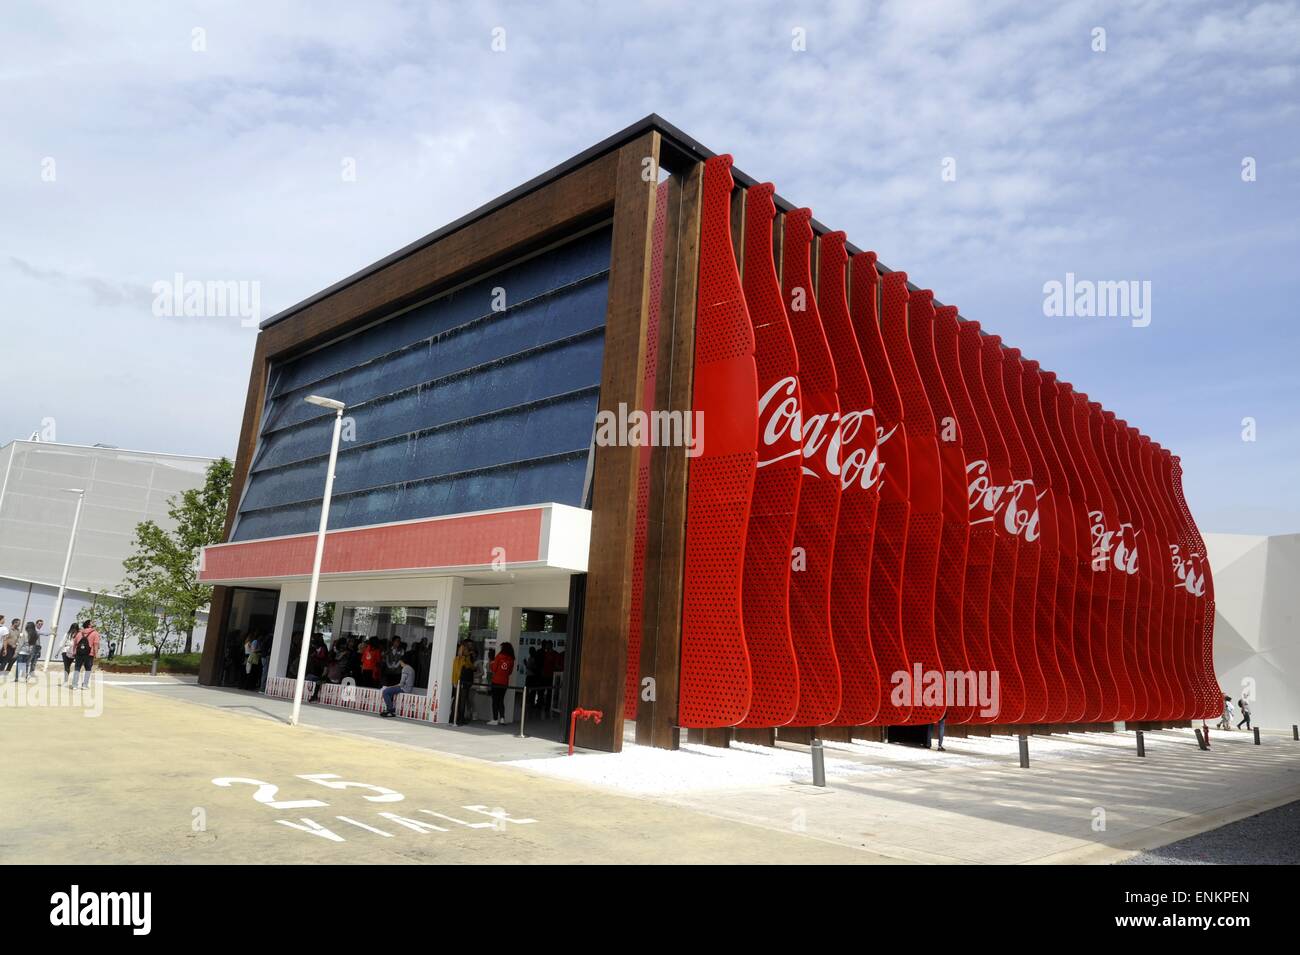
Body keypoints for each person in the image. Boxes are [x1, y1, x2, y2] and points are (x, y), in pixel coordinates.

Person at [380, 651, 416, 718]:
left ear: (402, 661)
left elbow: (401, 684)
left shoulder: (405, 669)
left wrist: (391, 686)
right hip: (408, 688)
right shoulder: (411, 668)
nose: (399, 664)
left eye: (400, 662)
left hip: (404, 689)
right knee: (389, 692)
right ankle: (389, 709)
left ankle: (390, 710)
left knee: (385, 691)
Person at [488, 642, 515, 725]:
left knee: (495, 700)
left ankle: (495, 719)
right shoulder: (511, 659)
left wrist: (491, 664)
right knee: (501, 700)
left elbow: (494, 669)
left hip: (496, 681)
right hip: (505, 682)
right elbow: (510, 672)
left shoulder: (499, 656)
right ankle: (502, 718)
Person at [72, 619, 100, 689]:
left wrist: (74, 652)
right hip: (89, 654)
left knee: (77, 668)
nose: (94, 623)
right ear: (89, 625)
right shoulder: (95, 633)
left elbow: (75, 644)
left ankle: (74, 685)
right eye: (92, 623)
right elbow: (96, 644)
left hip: (79, 653)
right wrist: (96, 654)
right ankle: (85, 685)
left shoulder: (79, 633)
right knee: (88, 669)